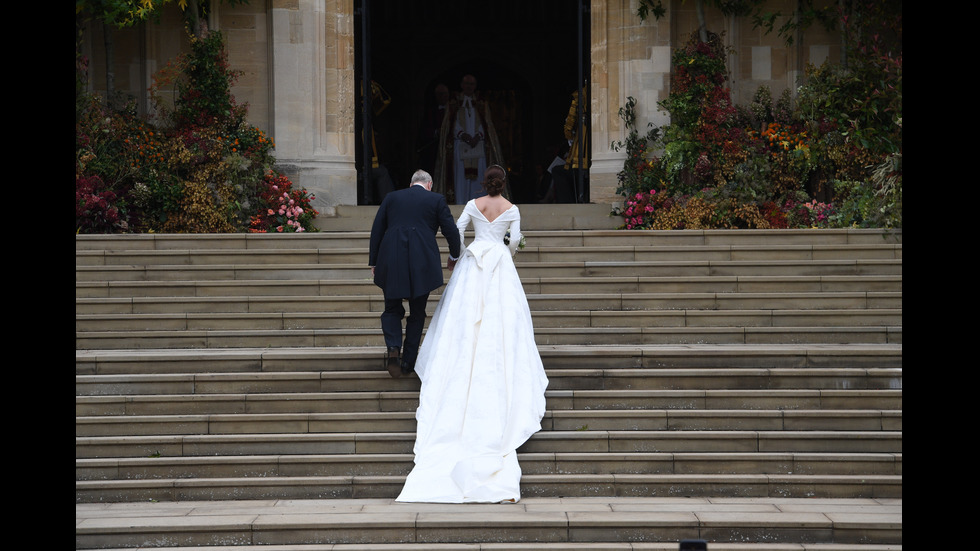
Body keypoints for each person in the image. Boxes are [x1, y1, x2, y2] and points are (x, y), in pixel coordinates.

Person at [396, 165, 549, 504]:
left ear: (484, 182)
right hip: (499, 264)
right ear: (504, 183)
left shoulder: (471, 204)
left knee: (462, 319)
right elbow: (514, 245)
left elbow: (457, 232)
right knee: (503, 319)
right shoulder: (512, 209)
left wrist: (461, 254)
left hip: (474, 259)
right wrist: (506, 246)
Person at [368, 169, 462, 378]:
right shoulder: (436, 199)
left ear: (411, 184)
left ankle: (393, 348)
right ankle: (409, 361)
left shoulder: (392, 197)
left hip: (391, 257)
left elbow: (377, 229)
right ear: (429, 185)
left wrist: (374, 261)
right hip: (422, 260)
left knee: (391, 307)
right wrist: (455, 256)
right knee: (417, 311)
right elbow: (451, 231)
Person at [433, 74, 505, 205]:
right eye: (466, 84)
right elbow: (449, 125)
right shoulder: (453, 104)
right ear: (461, 85)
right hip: (460, 146)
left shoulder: (482, 104)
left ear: (475, 86)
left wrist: (478, 136)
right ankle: (461, 206)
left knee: (478, 180)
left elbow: (487, 125)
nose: (469, 87)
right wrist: (462, 135)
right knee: (460, 179)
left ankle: (480, 206)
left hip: (478, 147)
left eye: (472, 84)